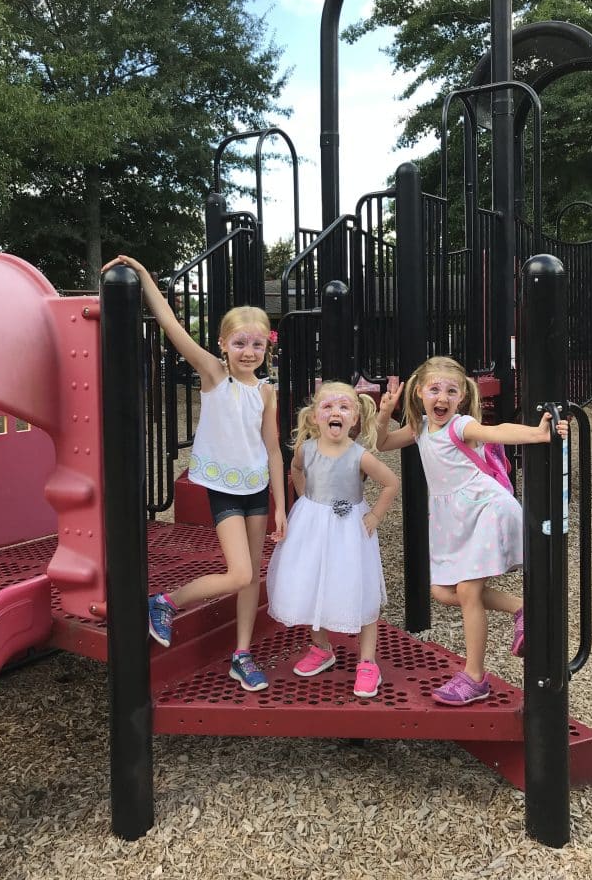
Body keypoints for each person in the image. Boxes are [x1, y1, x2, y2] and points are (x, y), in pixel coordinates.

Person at [102, 254, 287, 693]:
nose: (249, 352)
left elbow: (273, 449)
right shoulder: (214, 374)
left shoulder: (265, 391)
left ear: (267, 348)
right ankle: (165, 601)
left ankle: (242, 654)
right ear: (222, 344)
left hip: (257, 487)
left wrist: (282, 505)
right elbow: (170, 324)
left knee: (252, 576)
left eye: (258, 345)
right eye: (240, 343)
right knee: (240, 572)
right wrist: (146, 273)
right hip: (224, 489)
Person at [376, 356, 568, 707]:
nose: (442, 397)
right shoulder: (420, 428)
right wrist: (384, 412)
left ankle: (475, 676)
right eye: (434, 389)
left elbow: (496, 432)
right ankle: (524, 609)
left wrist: (538, 434)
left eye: (451, 391)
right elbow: (383, 443)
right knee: (441, 590)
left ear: (462, 397)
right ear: (420, 393)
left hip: (484, 507)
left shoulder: (459, 425)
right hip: (454, 517)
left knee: (466, 590)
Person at [267, 381, 399, 698]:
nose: (335, 412)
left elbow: (391, 483)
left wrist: (375, 516)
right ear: (315, 417)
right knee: (313, 583)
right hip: (311, 525)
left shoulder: (360, 456)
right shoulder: (306, 450)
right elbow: (296, 470)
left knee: (359, 588)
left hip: (350, 530)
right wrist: (306, 500)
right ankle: (322, 647)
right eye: (327, 407)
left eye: (344, 407)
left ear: (354, 418)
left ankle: (367, 661)